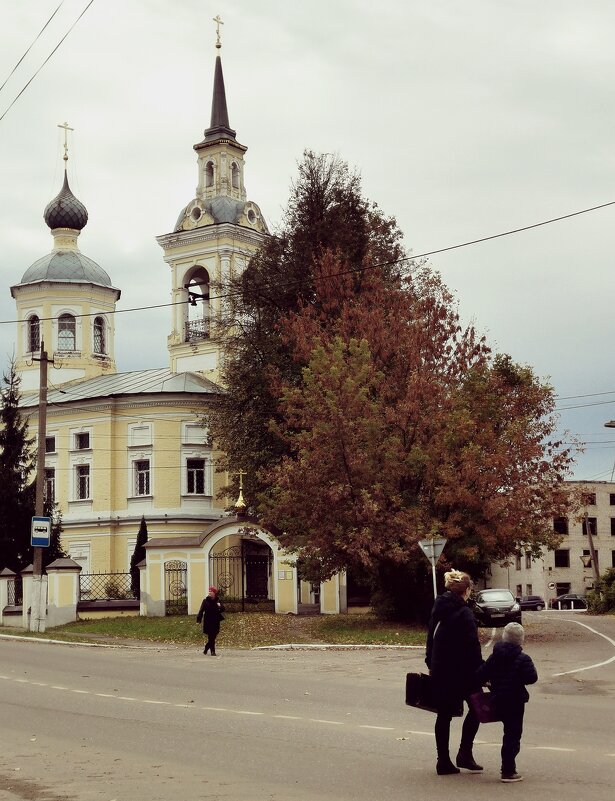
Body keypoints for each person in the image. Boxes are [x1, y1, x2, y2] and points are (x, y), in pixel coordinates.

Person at [425, 569, 484, 776]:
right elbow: (471, 647)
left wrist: (430, 662)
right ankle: (464, 754)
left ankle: (443, 761)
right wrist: (482, 672)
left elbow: (431, 636)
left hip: (441, 669)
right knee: (477, 709)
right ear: (466, 590)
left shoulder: (439, 607)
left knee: (443, 715)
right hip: (463, 672)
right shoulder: (465, 612)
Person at [476, 621, 538, 783]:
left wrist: (489, 681)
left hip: (498, 699)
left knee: (508, 733)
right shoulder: (523, 658)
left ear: (504, 637)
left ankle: (508, 769)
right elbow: (532, 678)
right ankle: (508, 770)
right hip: (516, 701)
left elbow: (481, 675)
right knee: (512, 735)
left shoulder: (494, 656)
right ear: (520, 640)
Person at [196, 586, 225, 656]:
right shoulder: (205, 601)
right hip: (208, 621)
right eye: (209, 591)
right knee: (210, 636)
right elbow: (201, 610)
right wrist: (198, 619)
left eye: (211, 591)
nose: (209, 593)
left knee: (214, 636)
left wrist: (220, 606)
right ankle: (213, 651)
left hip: (215, 620)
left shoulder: (218, 601)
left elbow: (223, 609)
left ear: (214, 593)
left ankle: (206, 648)